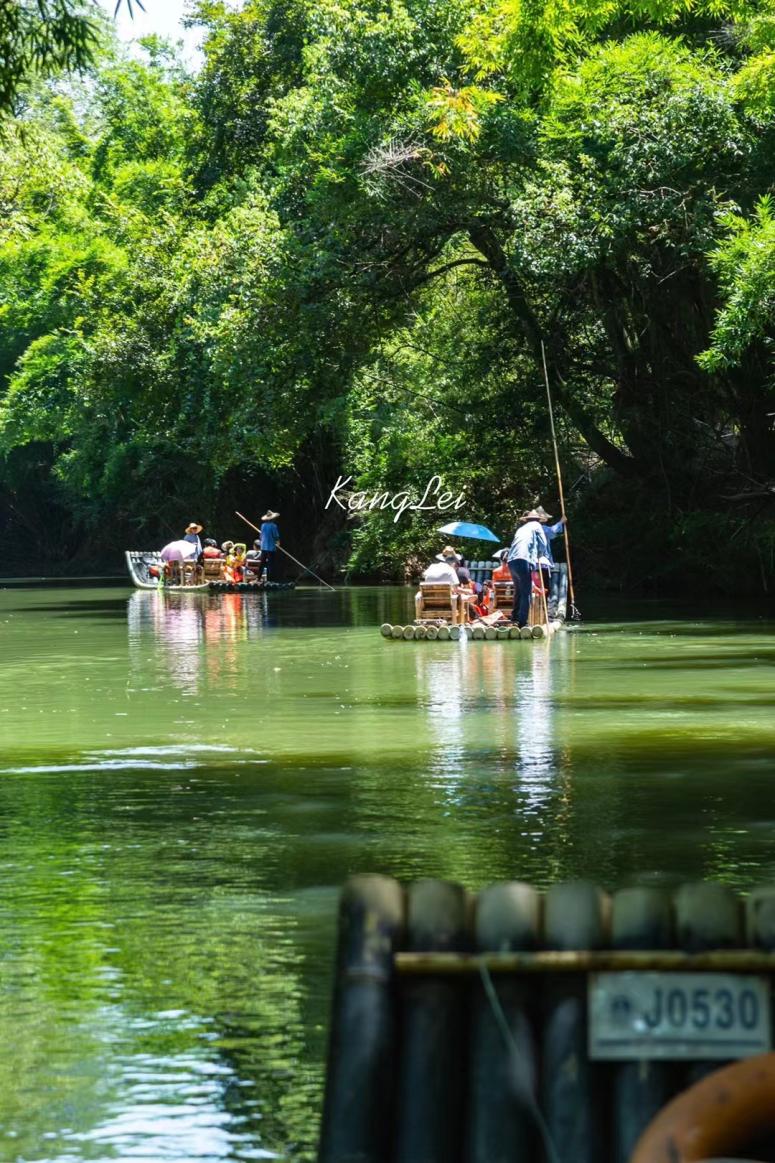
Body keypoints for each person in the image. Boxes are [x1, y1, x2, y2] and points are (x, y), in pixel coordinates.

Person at [506, 509, 549, 628]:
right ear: (538, 520)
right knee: (527, 592)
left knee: (519, 590)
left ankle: (514, 617)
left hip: (511, 561)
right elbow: (543, 544)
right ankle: (523, 623)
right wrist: (540, 554)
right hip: (523, 559)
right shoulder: (537, 526)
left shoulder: (521, 528)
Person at [258, 511, 281, 580]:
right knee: (271, 564)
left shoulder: (263, 525)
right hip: (271, 548)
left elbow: (261, 536)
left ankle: (258, 578)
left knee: (262, 563)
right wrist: (278, 543)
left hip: (263, 547)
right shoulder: (273, 526)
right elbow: (276, 536)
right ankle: (270, 579)